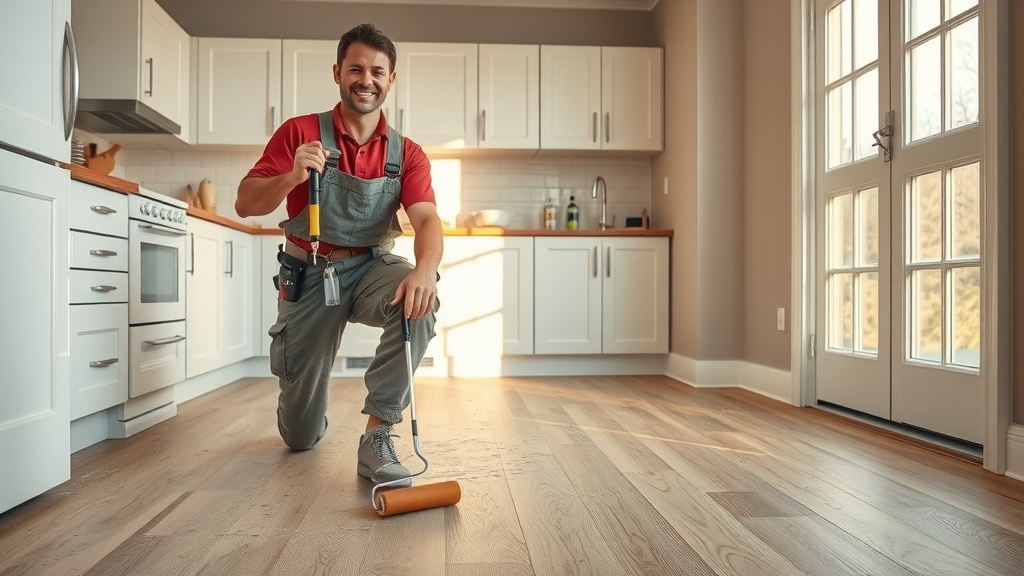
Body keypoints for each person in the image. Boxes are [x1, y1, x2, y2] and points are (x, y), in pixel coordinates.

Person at [235, 23, 443, 488]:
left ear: (391, 79)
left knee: (421, 300)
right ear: (337, 73)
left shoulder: (406, 153)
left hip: (372, 266)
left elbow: (427, 218)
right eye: (355, 69)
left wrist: (425, 270)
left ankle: (377, 435)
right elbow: (245, 203)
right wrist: (291, 176)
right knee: (300, 437)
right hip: (311, 272)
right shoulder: (299, 132)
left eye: (377, 71)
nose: (366, 80)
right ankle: (309, 410)